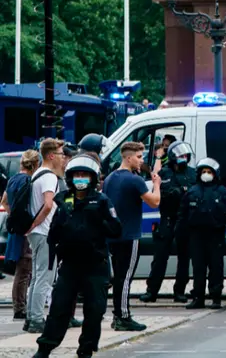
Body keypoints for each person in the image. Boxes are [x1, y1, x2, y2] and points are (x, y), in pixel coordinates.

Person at [32, 155, 121, 358]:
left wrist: (99, 221)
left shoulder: (101, 201)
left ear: (92, 178)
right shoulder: (64, 200)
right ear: (71, 177)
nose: (80, 178)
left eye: (85, 175)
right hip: (70, 265)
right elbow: (54, 230)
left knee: (94, 311)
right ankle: (44, 348)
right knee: (59, 308)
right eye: (77, 175)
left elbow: (116, 229)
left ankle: (86, 350)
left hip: (95, 265)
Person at [104, 141, 161, 331]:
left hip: (112, 234)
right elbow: (154, 202)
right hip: (129, 234)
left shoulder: (110, 178)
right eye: (138, 157)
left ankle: (118, 314)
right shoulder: (134, 179)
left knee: (118, 277)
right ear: (128, 158)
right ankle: (123, 316)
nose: (141, 160)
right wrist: (156, 184)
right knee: (125, 277)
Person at [175, 158, 226, 309]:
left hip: (215, 234)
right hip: (196, 235)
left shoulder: (222, 191)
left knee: (215, 266)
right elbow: (182, 214)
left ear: (215, 174)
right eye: (204, 172)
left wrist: (224, 219)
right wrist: (180, 233)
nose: (206, 174)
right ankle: (198, 297)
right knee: (198, 267)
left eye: (209, 172)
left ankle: (216, 297)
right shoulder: (192, 192)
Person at [141, 141, 196, 303]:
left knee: (184, 257)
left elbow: (193, 194)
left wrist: (180, 193)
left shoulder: (192, 173)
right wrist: (180, 192)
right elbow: (162, 193)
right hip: (168, 218)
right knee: (160, 256)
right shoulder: (164, 173)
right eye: (180, 155)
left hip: (184, 220)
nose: (183, 158)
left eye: (185, 156)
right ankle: (152, 290)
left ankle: (180, 291)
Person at [24, 139, 66, 333]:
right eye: (60, 154)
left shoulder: (37, 174)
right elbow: (48, 204)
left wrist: (32, 226)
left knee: (36, 276)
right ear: (51, 156)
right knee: (44, 277)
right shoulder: (49, 177)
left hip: (35, 234)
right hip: (44, 232)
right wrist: (36, 223)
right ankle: (37, 319)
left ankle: (31, 317)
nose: (63, 158)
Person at [1, 150, 39, 321]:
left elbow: (4, 202)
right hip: (25, 229)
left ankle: (19, 305)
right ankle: (20, 307)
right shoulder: (28, 181)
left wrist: (12, 216)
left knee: (21, 269)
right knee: (24, 269)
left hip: (15, 229)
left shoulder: (13, 179)